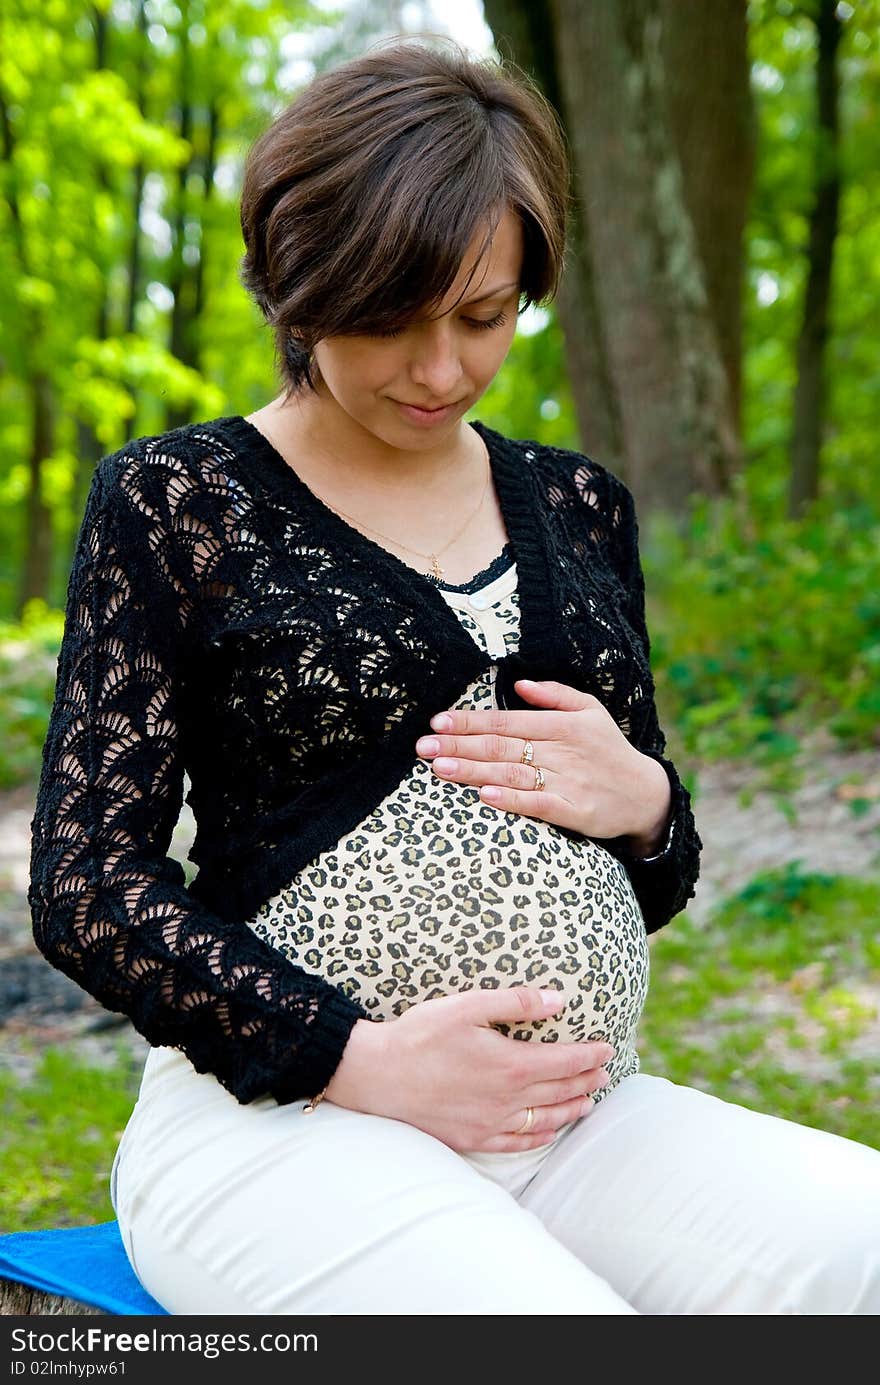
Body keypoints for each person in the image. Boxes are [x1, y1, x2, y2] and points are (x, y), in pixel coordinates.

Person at [28, 37, 880, 1316]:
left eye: (484, 316)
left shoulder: (580, 506)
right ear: (293, 284)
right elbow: (86, 885)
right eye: (389, 320)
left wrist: (645, 800)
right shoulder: (178, 500)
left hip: (580, 1127)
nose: (440, 370)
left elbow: (646, 882)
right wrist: (352, 1058)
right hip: (282, 1126)